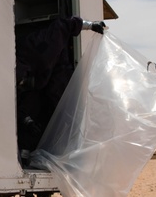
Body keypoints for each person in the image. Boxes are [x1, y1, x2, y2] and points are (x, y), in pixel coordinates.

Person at [16, 17, 106, 155]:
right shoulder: (23, 86)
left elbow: (65, 24)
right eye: (21, 85)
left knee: (68, 111)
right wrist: (28, 121)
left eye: (24, 82)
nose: (23, 85)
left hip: (60, 73)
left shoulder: (42, 45)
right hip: (45, 85)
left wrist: (90, 25)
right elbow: (21, 106)